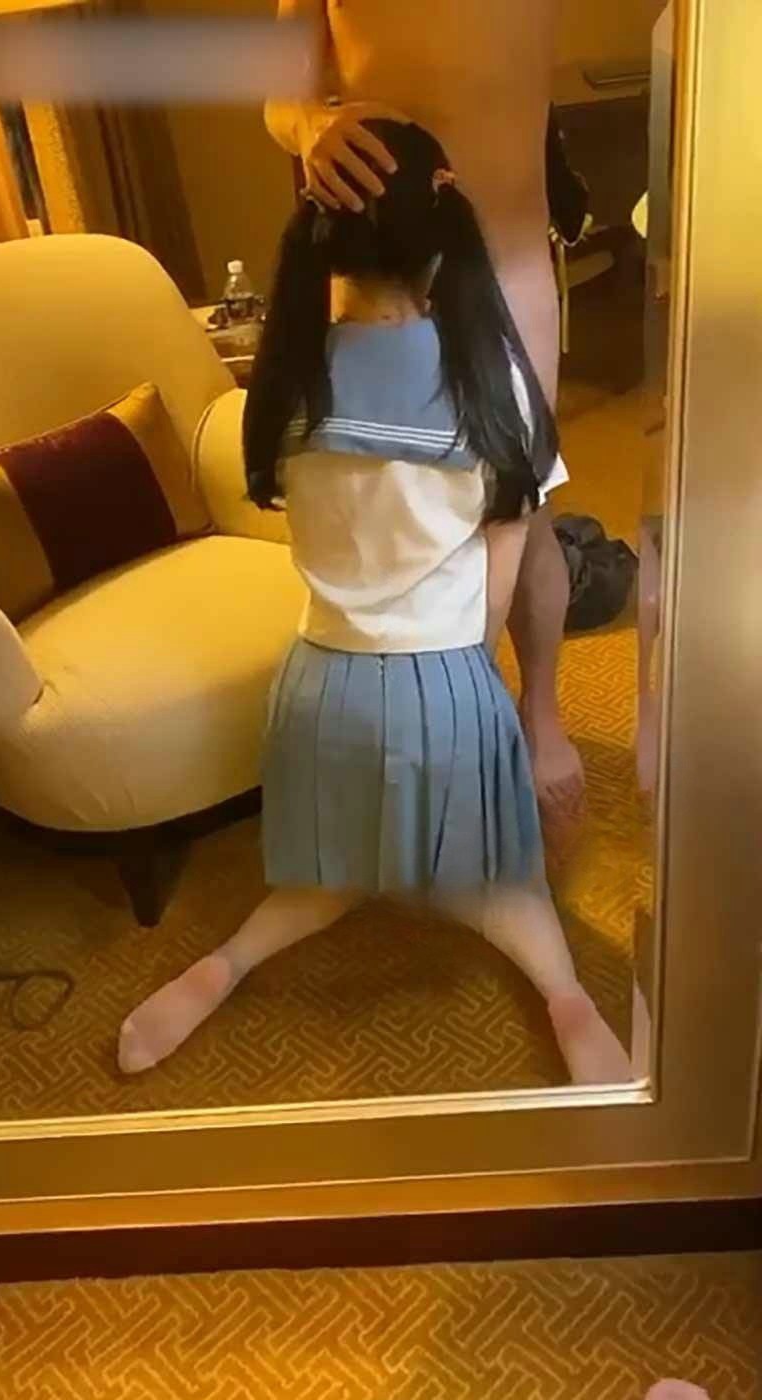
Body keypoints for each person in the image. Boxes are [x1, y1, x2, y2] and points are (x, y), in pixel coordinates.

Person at [117, 121, 630, 1086]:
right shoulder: (494, 383)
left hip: (317, 690)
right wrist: (479, 695)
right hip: (446, 688)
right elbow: (500, 578)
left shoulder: (283, 384)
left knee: (330, 878)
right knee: (507, 888)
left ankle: (224, 961)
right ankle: (568, 996)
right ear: (442, 233)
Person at [264, 0, 585, 853]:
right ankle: (431, 713)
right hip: (377, 264)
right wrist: (311, 124)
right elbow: (281, 92)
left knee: (521, 510)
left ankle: (539, 712)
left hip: (507, 264)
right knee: (385, 503)